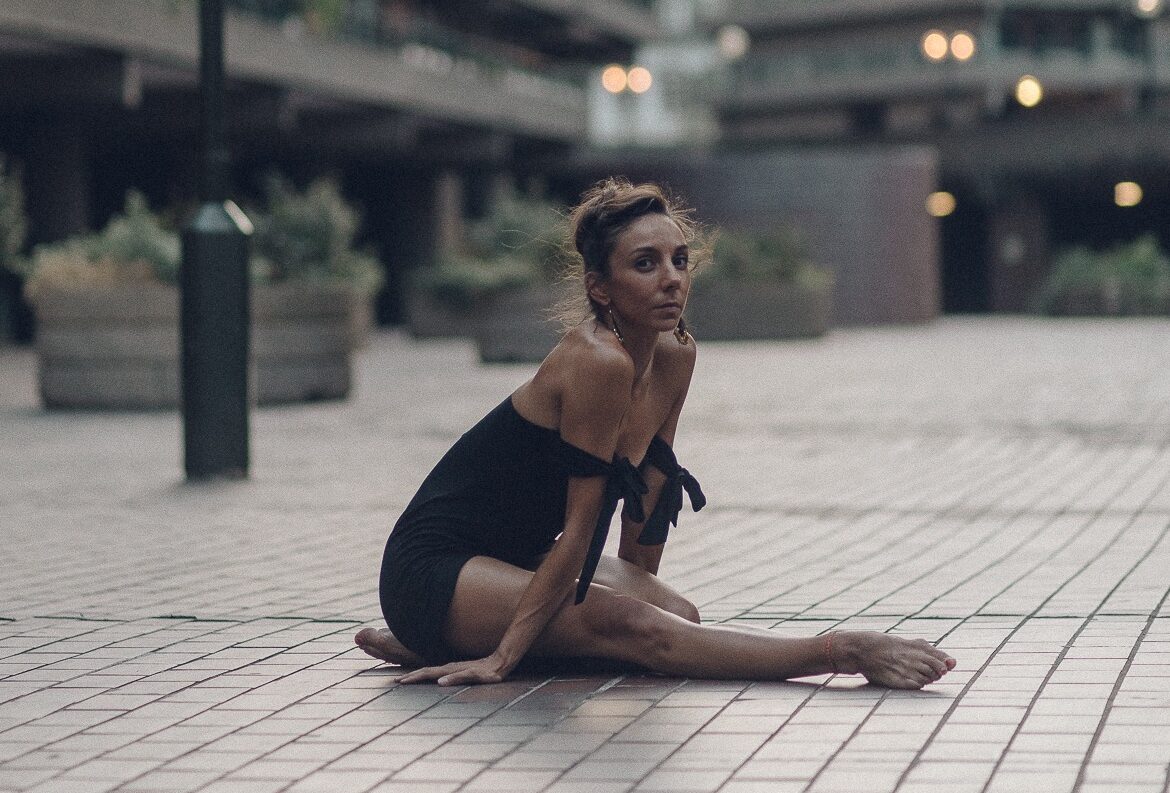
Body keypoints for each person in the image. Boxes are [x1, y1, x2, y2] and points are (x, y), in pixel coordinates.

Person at [355, 178, 956, 689]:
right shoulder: (595, 361)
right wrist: (502, 659)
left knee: (676, 617)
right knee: (643, 632)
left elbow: (646, 495)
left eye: (679, 259)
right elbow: (585, 524)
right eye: (645, 264)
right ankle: (840, 651)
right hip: (435, 567)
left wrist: (637, 598)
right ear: (600, 287)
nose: (671, 278)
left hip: (520, 558)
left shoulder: (675, 354)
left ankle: (439, 640)